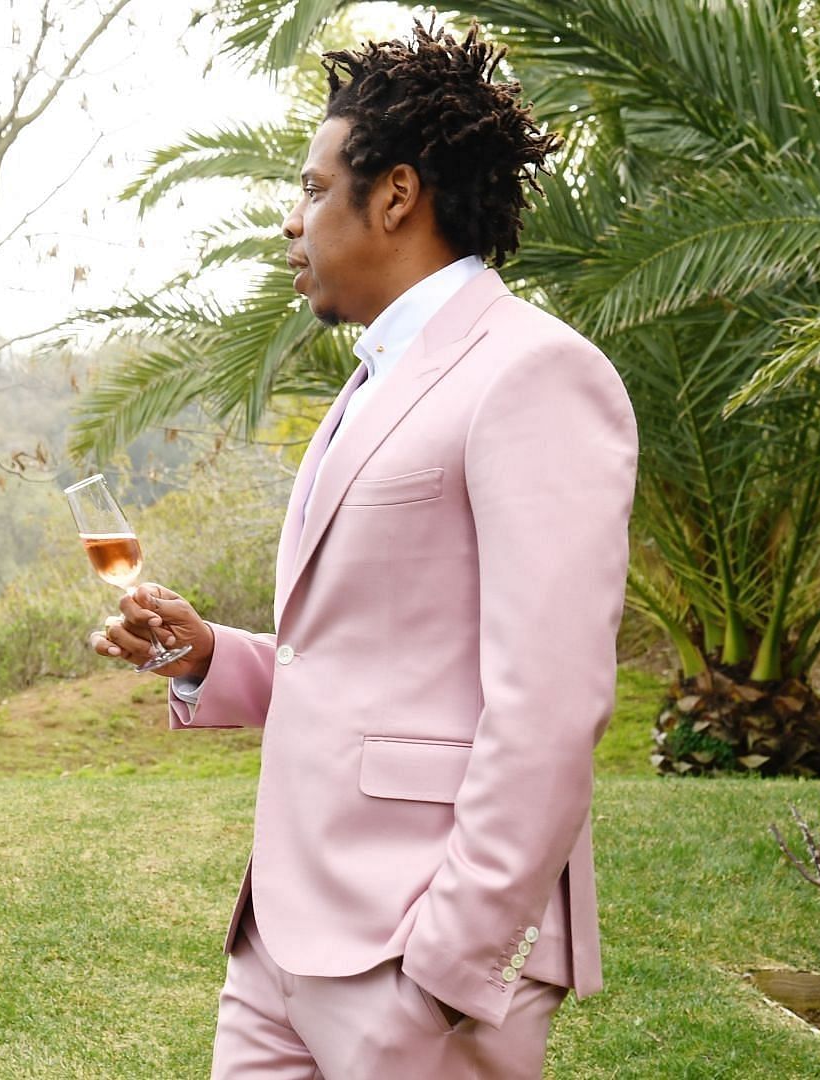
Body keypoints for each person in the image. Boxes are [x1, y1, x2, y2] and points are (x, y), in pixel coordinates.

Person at [92, 23, 637, 1078]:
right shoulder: (372, 381)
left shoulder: (534, 374)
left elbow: (552, 704)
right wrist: (213, 656)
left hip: (413, 953)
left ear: (394, 196)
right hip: (279, 942)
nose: (288, 224)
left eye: (307, 188)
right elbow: (355, 657)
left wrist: (447, 968)